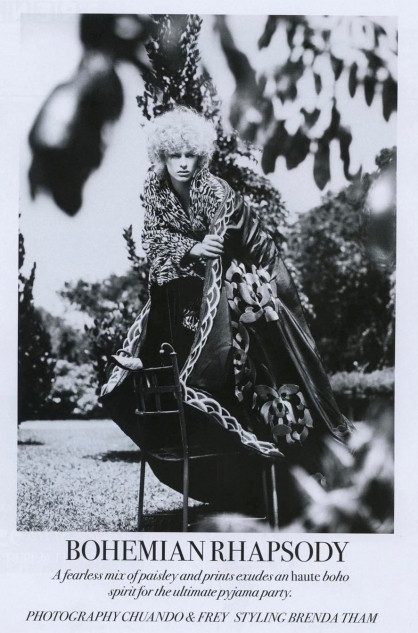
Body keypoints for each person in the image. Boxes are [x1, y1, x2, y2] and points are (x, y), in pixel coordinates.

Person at [100, 107, 353, 514]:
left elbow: (220, 249)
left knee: (252, 323)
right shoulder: (154, 189)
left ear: (201, 156)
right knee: (164, 286)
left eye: (190, 155)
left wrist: (197, 251)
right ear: (161, 157)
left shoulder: (216, 191)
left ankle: (296, 458)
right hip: (202, 270)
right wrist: (190, 249)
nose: (183, 164)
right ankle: (154, 361)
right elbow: (154, 239)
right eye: (174, 155)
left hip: (254, 265)